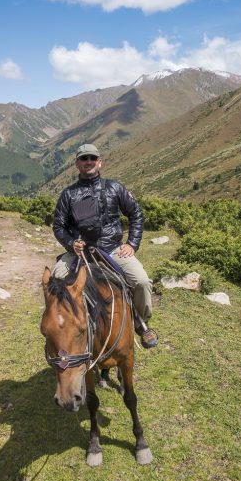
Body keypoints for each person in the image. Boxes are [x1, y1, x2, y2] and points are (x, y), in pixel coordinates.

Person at [51, 143, 158, 349]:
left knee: (142, 282)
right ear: (77, 164)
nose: (88, 162)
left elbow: (136, 214)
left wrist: (132, 243)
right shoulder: (68, 194)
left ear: (99, 162)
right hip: (80, 253)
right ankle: (61, 326)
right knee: (55, 280)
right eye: (84, 159)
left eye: (92, 158)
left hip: (112, 249)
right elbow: (59, 226)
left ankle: (141, 323)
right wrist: (71, 243)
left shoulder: (115, 188)